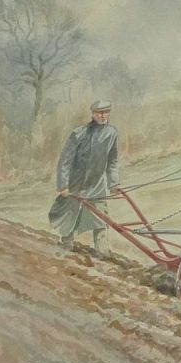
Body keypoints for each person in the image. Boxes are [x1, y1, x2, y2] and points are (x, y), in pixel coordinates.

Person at [48, 100, 120, 257]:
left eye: (106, 112)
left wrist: (114, 183)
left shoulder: (112, 133)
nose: (103, 115)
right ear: (93, 114)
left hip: (97, 183)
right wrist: (63, 185)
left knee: (101, 217)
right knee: (71, 213)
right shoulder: (79, 133)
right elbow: (65, 160)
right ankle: (67, 244)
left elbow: (112, 161)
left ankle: (103, 251)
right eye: (99, 112)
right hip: (76, 182)